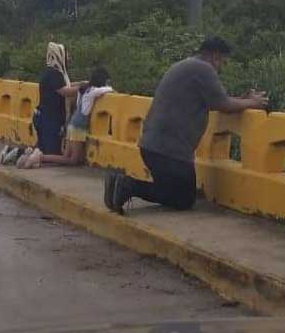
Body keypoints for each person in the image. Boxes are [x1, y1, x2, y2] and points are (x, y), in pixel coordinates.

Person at [105, 37, 269, 214]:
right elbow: (224, 105)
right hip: (170, 152)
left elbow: (216, 100)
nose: (223, 67)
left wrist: (242, 100)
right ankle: (128, 186)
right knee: (183, 198)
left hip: (153, 146)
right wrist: (253, 103)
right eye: (223, 62)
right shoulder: (204, 69)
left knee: (170, 190)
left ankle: (121, 184)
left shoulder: (187, 65)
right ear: (215, 57)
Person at [19, 67, 113, 168]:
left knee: (65, 157)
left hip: (71, 124)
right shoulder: (92, 91)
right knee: (72, 160)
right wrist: (110, 88)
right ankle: (41, 157)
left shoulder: (83, 90)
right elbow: (107, 90)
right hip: (78, 127)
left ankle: (37, 160)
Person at [29, 42, 86, 161]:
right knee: (52, 152)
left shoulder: (51, 73)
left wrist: (81, 83)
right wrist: (82, 89)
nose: (68, 58)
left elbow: (66, 85)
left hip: (44, 116)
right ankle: (34, 158)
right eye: (67, 55)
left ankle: (23, 155)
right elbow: (64, 91)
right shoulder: (54, 74)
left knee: (43, 148)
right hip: (49, 119)